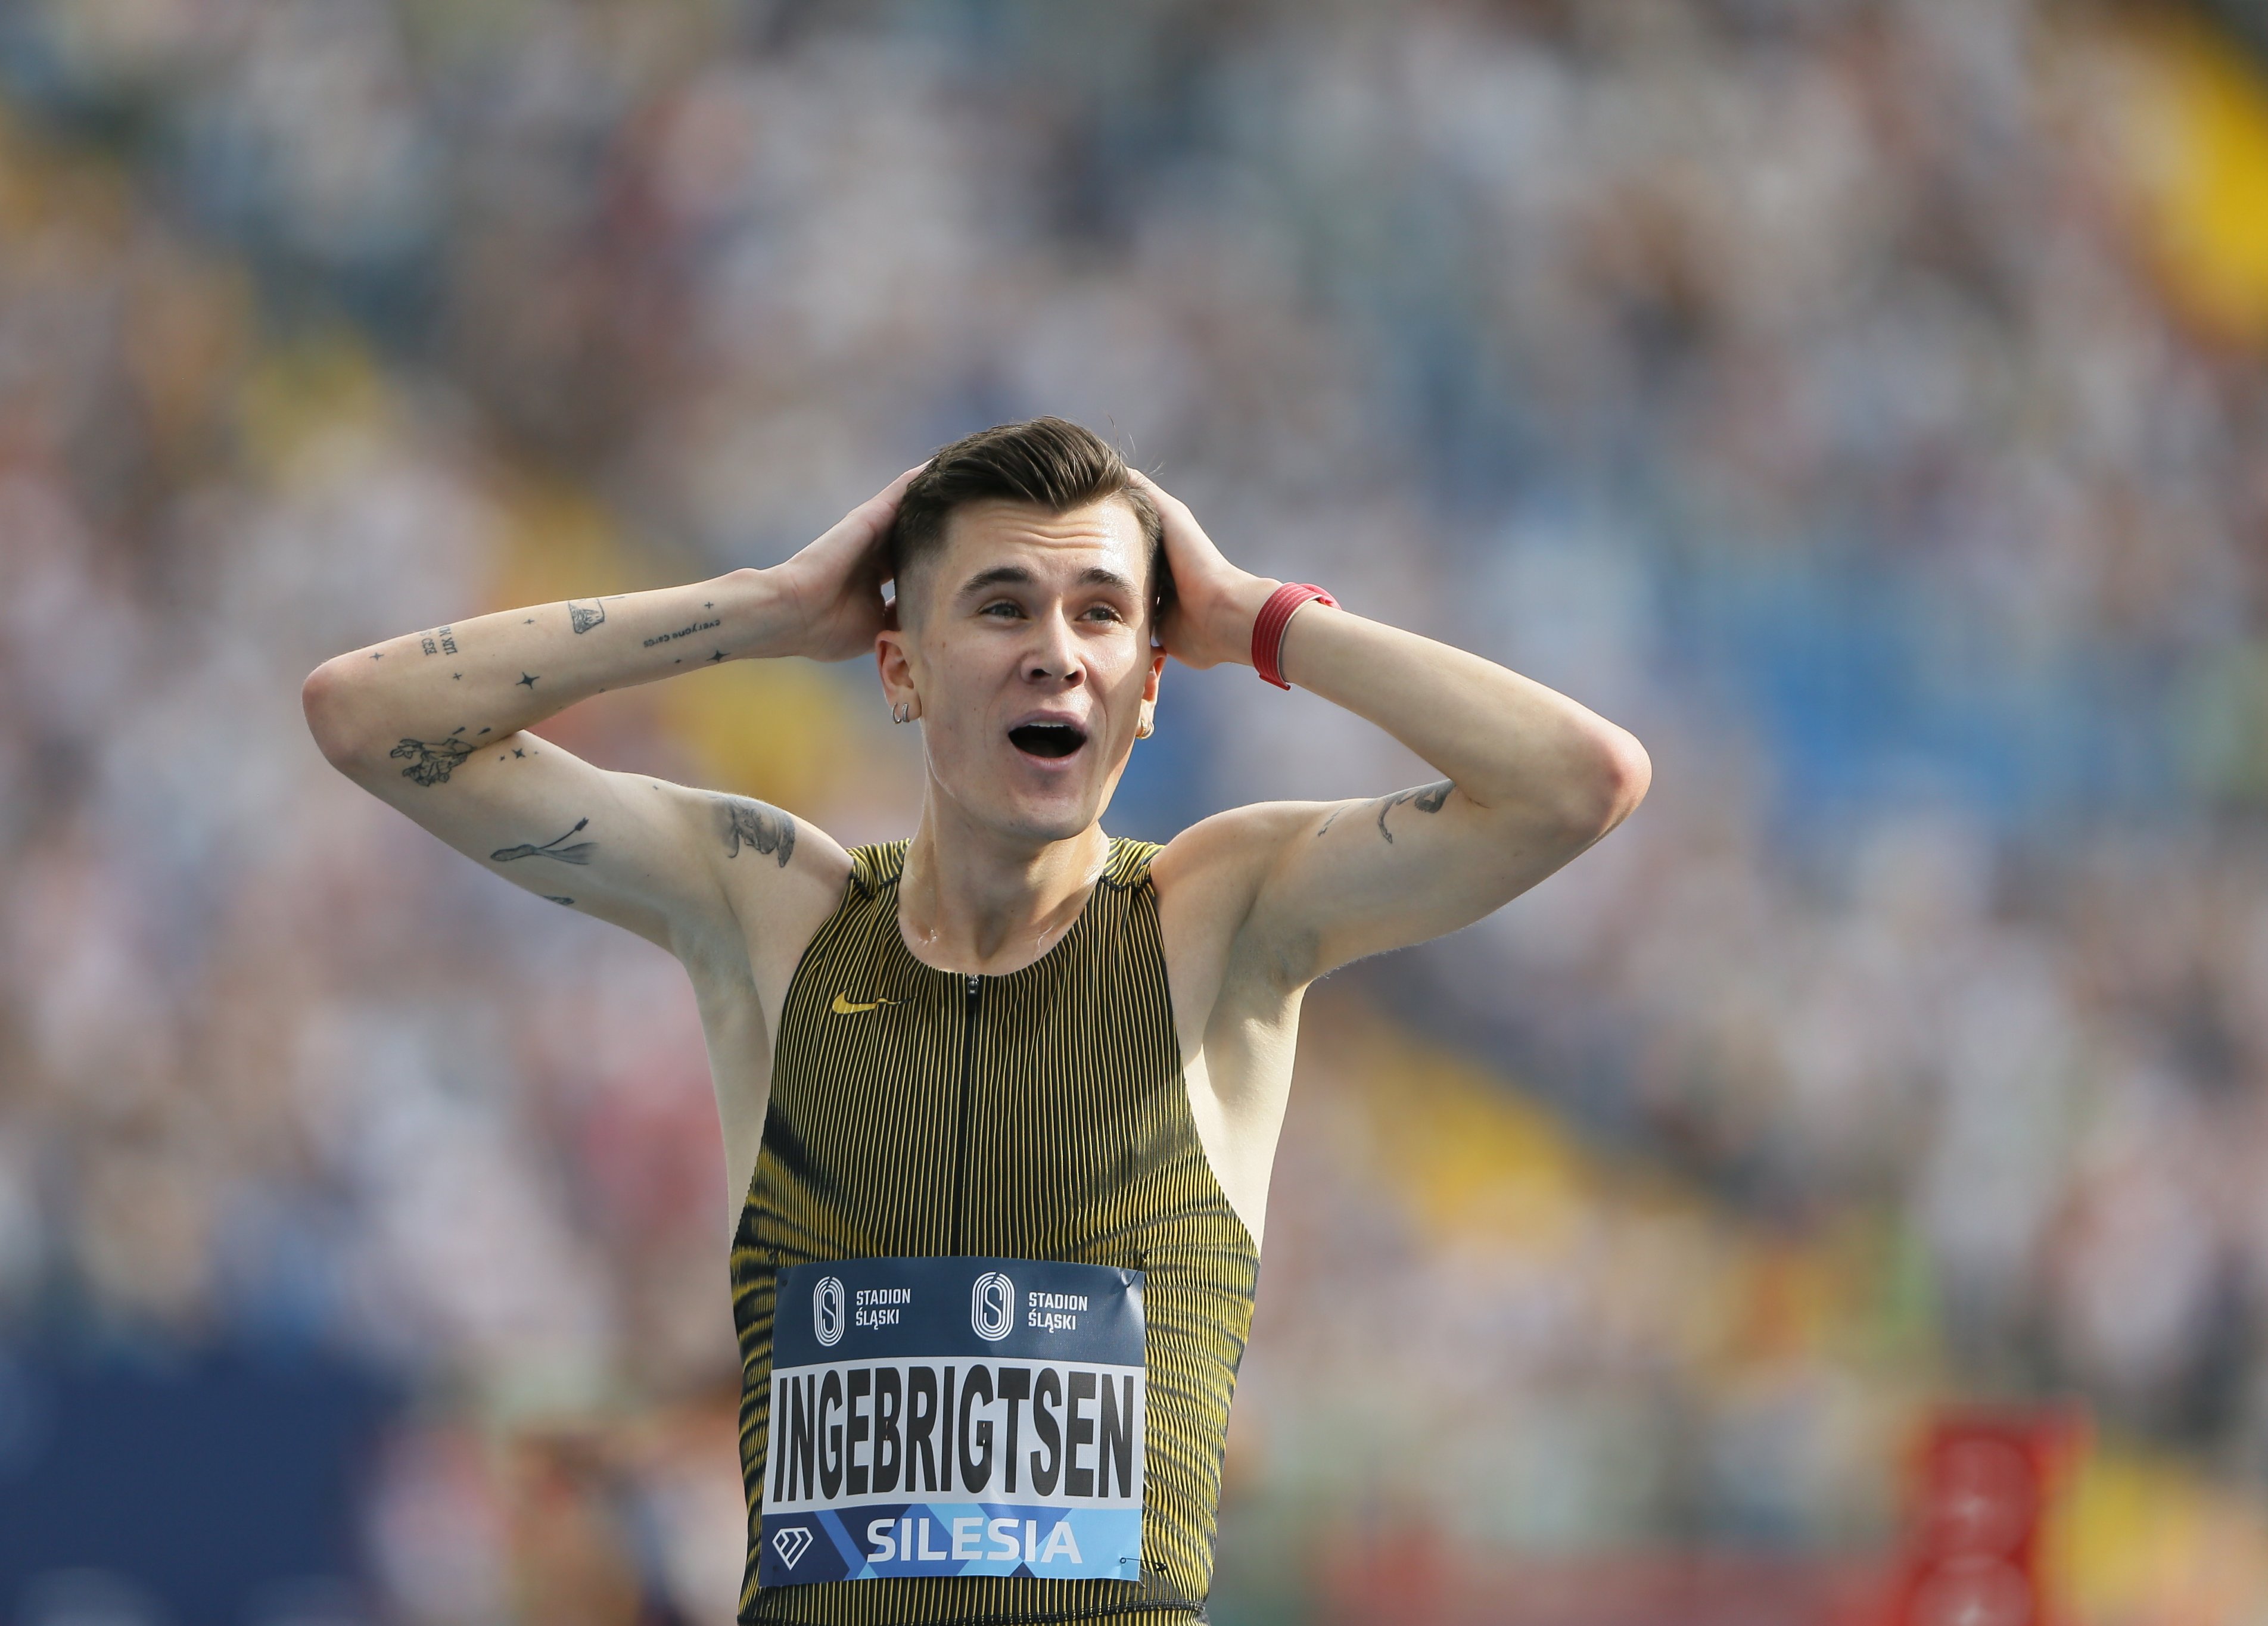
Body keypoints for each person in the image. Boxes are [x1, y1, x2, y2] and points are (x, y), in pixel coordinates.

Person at [301, 416, 1649, 1624]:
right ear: (898, 670)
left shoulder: (1214, 919)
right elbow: (369, 717)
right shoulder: (772, 913)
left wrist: (1255, 618)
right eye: (1000, 608)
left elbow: (1573, 784)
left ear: (1148, 685)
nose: (1055, 656)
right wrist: (767, 607)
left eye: (1101, 615)